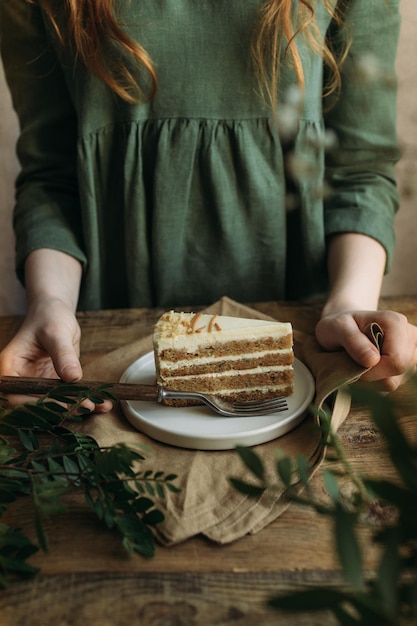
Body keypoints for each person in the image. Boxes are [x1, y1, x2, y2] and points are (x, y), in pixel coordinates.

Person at [0, 0, 416, 412]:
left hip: (306, 334)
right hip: (103, 338)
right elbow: (52, 176)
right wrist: (49, 303)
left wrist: (348, 304)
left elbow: (359, 169)